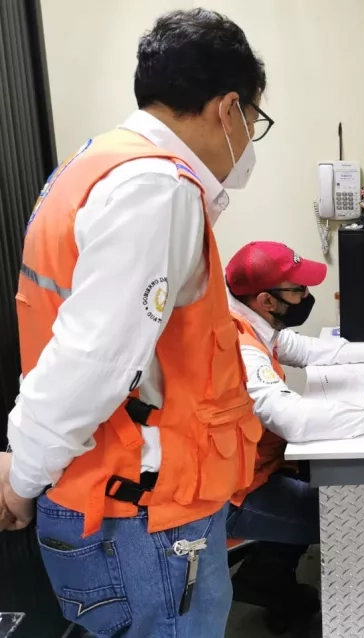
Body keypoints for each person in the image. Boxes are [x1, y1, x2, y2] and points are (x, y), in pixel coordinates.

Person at [0, 9, 272, 637]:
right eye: (255, 119)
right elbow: (91, 362)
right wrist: (20, 477)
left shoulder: (95, 163)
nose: (251, 136)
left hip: (117, 498)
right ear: (228, 108)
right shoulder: (156, 189)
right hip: (145, 516)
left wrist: (24, 458)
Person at [222, 241, 364, 631]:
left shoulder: (247, 318)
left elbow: (303, 349)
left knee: (326, 484)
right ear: (266, 300)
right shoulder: (239, 344)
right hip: (236, 491)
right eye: (298, 291)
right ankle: (363, 619)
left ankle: (267, 574)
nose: (306, 296)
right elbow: (293, 420)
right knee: (357, 521)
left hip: (257, 464)